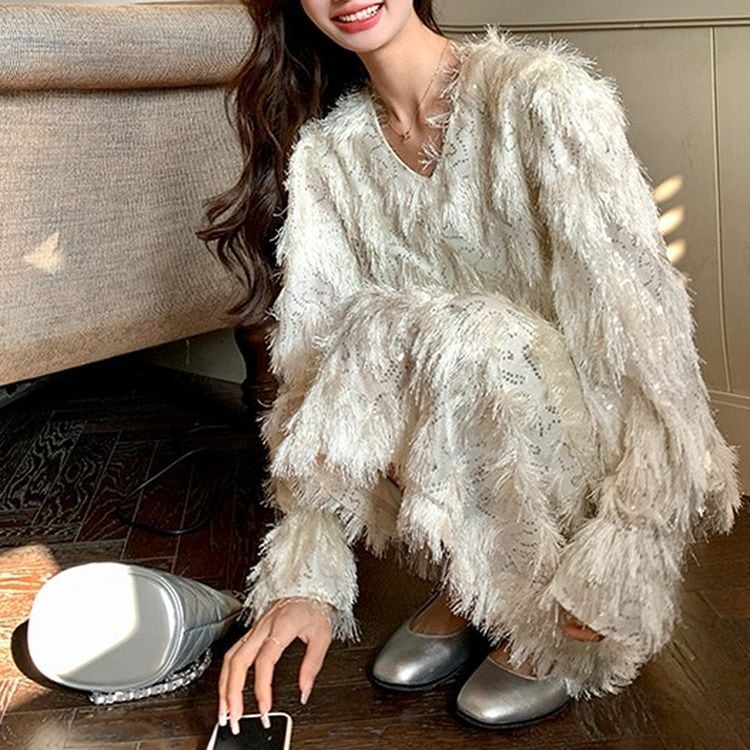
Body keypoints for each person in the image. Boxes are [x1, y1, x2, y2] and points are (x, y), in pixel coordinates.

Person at [199, 0, 743, 735]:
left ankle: (548, 614)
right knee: (367, 334)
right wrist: (303, 578)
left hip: (581, 454)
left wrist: (628, 547)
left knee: (477, 334)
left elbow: (647, 341)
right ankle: (472, 580)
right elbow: (311, 375)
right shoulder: (328, 155)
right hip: (450, 460)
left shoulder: (544, 97)